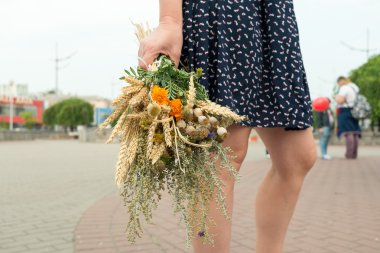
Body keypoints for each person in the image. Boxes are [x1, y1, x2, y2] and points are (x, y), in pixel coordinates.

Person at [138, 1, 317, 253]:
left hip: (274, 15)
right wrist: (170, 20)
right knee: (221, 158)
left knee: (297, 157)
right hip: (224, 11)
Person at [335, 76, 361, 159]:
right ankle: (354, 154)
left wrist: (336, 97)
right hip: (355, 111)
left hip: (345, 110)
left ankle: (349, 154)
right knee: (355, 132)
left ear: (340, 82)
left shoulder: (344, 88)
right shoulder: (354, 87)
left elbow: (341, 100)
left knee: (348, 132)